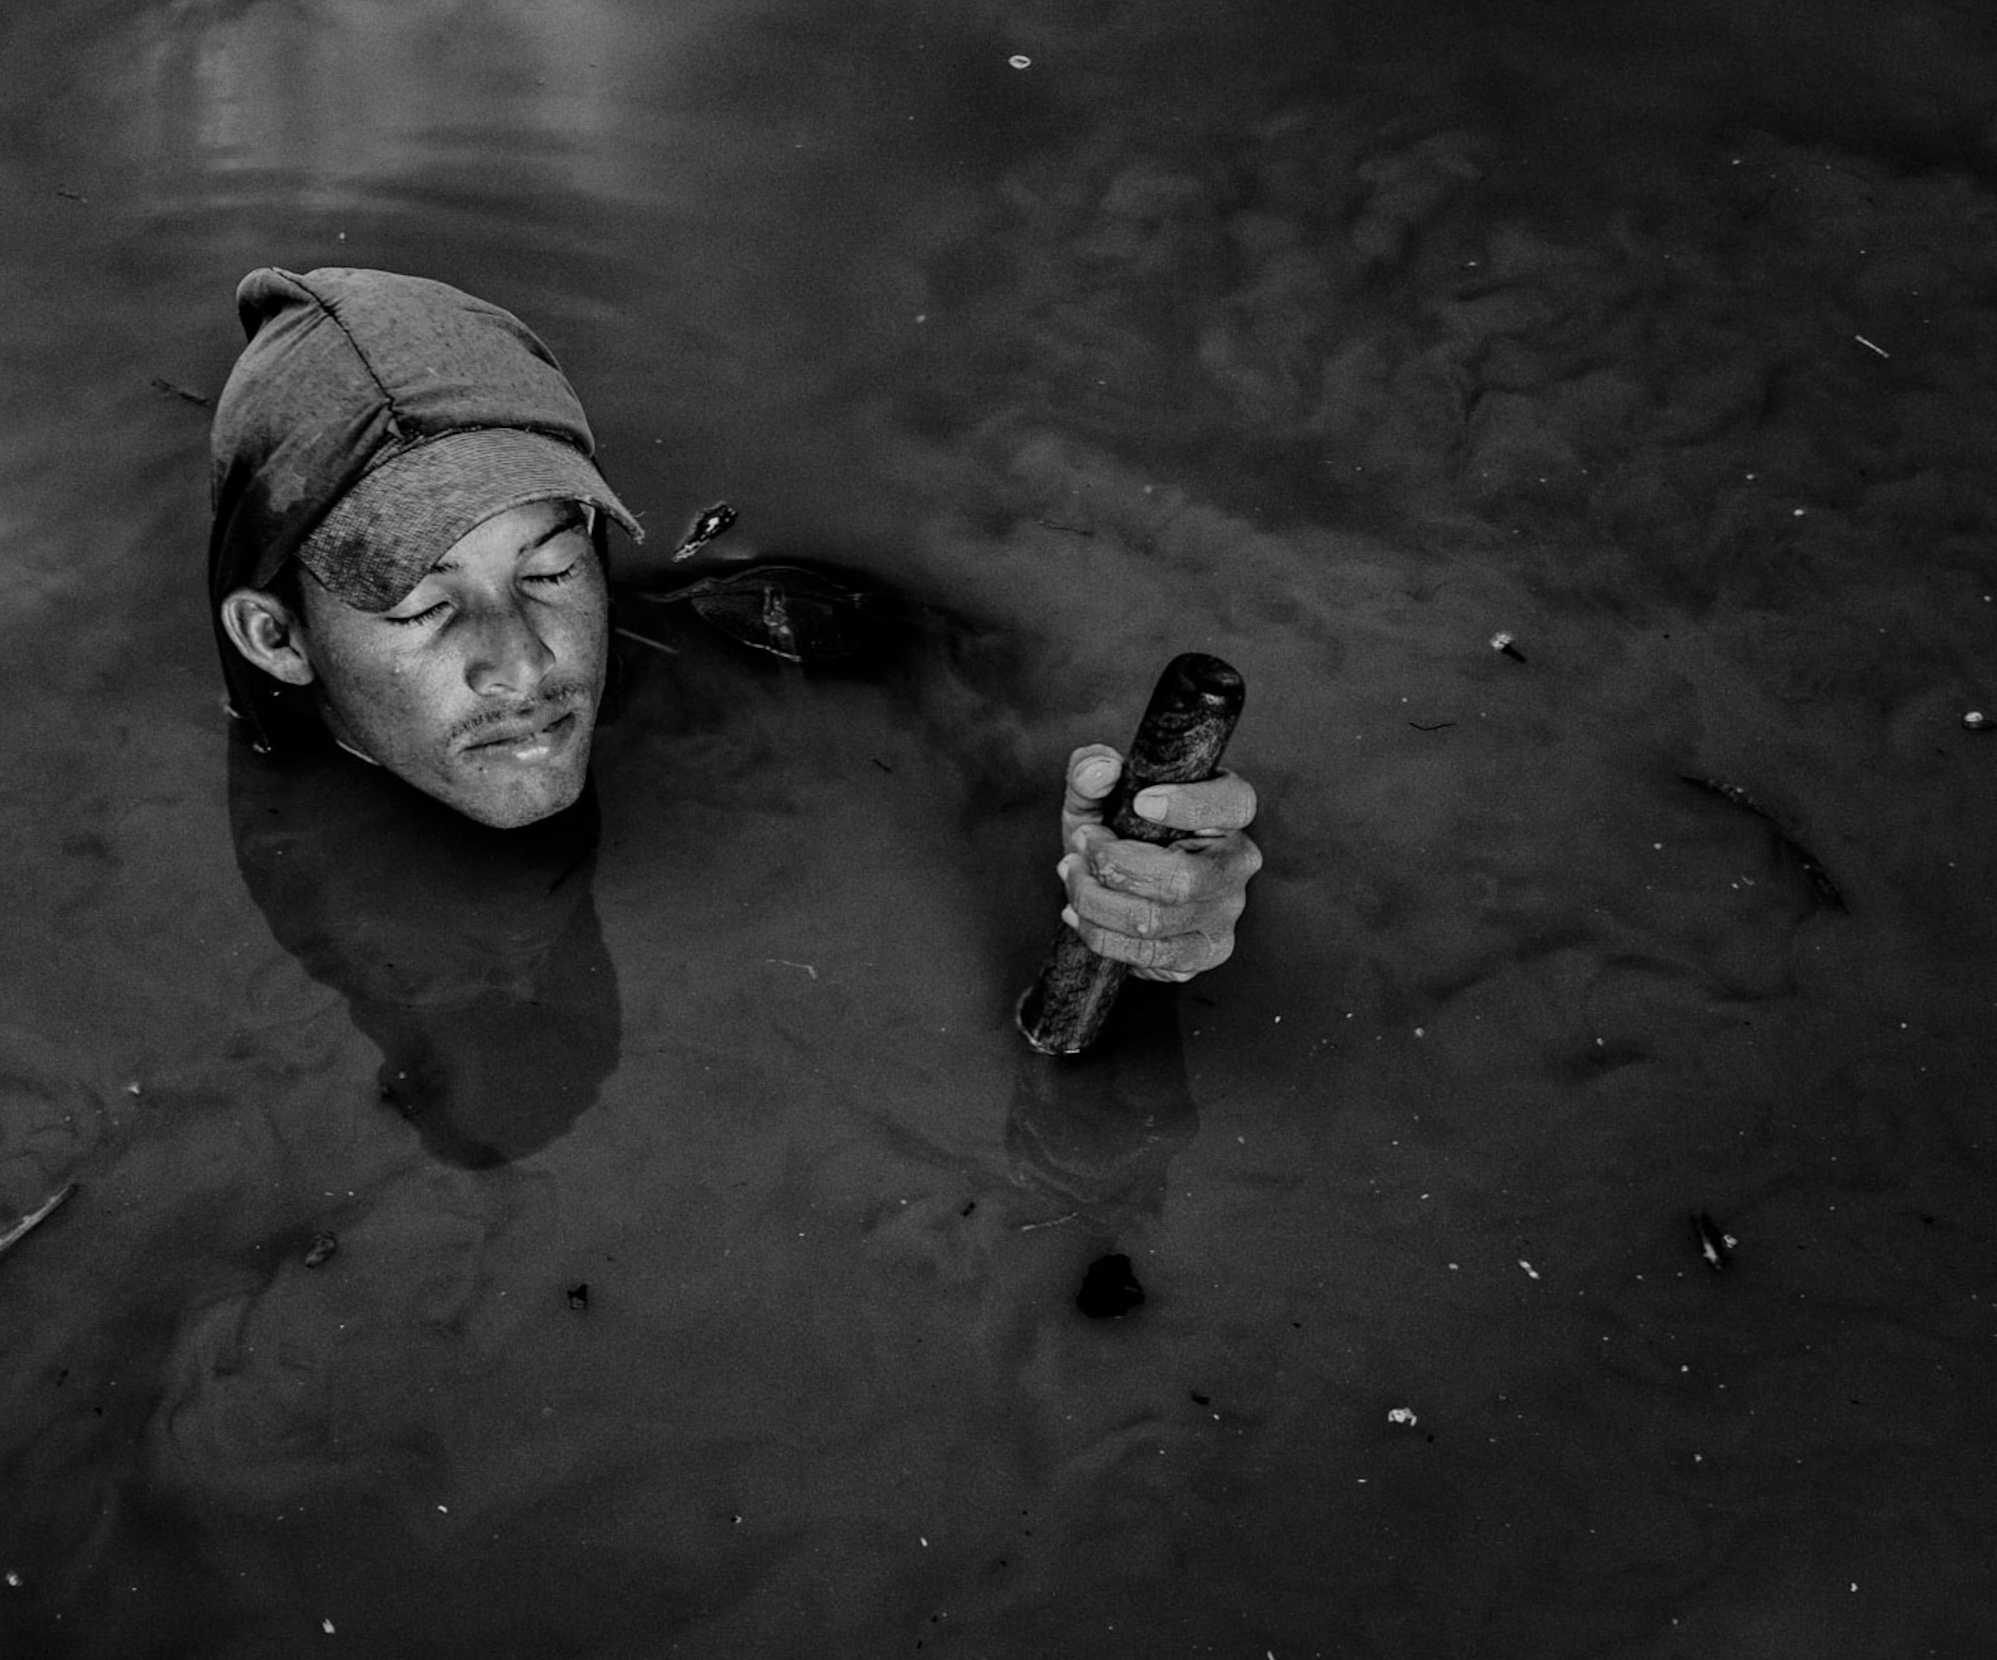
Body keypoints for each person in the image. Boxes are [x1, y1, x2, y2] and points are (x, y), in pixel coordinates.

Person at [207, 264, 1261, 1160]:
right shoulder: (219, 884)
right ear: (278, 639)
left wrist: (1136, 886)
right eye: (427, 606)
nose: (522, 664)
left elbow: (988, 716)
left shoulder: (747, 639)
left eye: (553, 570)